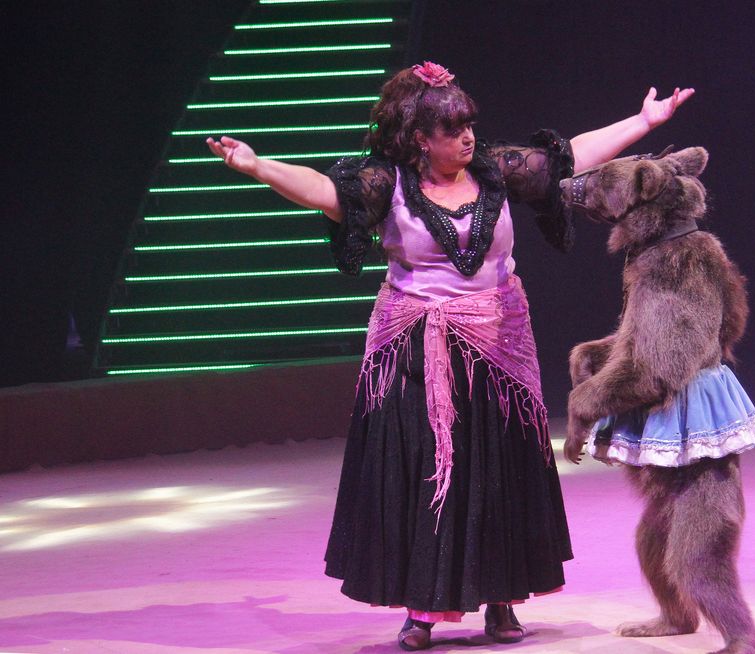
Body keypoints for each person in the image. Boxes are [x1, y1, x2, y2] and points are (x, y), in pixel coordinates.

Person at [206, 61, 692, 650]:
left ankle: (502, 599)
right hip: (414, 347)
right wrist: (258, 166)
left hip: (498, 343)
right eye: (453, 129)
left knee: (498, 467)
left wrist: (643, 122)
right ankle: (421, 610)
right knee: (426, 472)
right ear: (420, 139)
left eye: (470, 126)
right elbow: (325, 192)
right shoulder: (386, 182)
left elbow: (571, 156)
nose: (467, 137)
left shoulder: (493, 170)